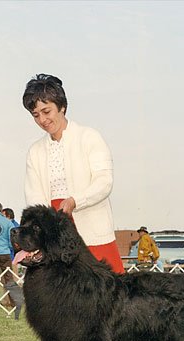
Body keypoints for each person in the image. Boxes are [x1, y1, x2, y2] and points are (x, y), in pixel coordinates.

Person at [22, 74, 124, 273]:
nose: (42, 120)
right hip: (54, 236)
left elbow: (104, 182)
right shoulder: (34, 151)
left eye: (46, 111)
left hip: (92, 230)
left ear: (62, 107)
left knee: (111, 297)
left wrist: (75, 201)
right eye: (35, 115)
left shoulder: (89, 137)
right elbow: (34, 197)